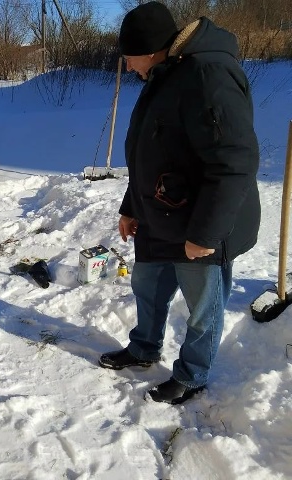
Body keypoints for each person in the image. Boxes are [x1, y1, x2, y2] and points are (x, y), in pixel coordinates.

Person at [99, 2, 261, 405]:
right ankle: (144, 348)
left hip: (199, 223)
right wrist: (131, 205)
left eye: (129, 57)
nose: (128, 66)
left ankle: (192, 375)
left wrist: (205, 233)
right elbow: (151, 151)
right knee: (147, 287)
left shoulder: (207, 74)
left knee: (203, 307)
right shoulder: (165, 72)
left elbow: (234, 161)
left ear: (150, 48)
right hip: (160, 213)